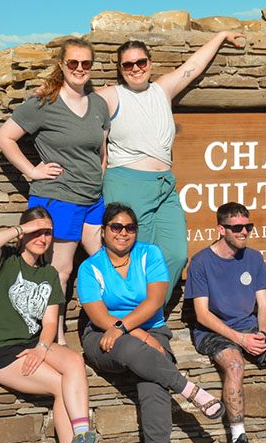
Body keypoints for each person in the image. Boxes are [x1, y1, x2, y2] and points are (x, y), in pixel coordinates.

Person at [96, 32, 245, 302]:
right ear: (120, 69)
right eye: (128, 65)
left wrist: (221, 36)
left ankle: (147, 316)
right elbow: (74, 100)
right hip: (127, 184)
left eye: (140, 62)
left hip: (164, 185)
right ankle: (128, 322)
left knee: (175, 254)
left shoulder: (162, 89)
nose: (135, 69)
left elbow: (194, 66)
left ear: (150, 63)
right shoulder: (111, 96)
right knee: (131, 255)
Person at [77, 202, 224, 443]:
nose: (123, 233)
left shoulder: (149, 254)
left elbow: (155, 300)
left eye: (130, 227)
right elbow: (97, 314)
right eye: (116, 227)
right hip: (102, 335)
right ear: (104, 231)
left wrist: (131, 329)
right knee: (137, 348)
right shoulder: (90, 267)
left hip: (148, 329)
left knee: (152, 379)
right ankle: (191, 391)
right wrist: (135, 331)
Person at [0, 207, 109, 443]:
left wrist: (41, 348)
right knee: (60, 385)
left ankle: (83, 442)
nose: (43, 237)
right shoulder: (5, 260)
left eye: (47, 232)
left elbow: (49, 323)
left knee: (73, 360)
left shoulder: (48, 274)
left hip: (30, 346)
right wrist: (23, 229)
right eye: (36, 231)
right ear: (23, 233)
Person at [0, 37, 110, 344]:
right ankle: (55, 339)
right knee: (61, 269)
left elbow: (102, 148)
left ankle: (111, 326)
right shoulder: (44, 104)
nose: (80, 69)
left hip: (93, 198)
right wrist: (31, 171)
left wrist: (101, 171)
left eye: (86, 63)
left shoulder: (97, 103)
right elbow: (4, 137)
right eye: (73, 63)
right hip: (61, 196)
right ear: (62, 64)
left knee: (103, 262)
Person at [185, 202, 266, 443]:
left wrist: (260, 334)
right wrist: (240, 340)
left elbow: (264, 305)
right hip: (213, 330)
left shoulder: (254, 258)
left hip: (249, 327)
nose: (244, 232)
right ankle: (239, 439)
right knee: (235, 364)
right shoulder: (201, 261)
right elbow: (202, 315)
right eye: (237, 227)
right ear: (221, 229)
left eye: (247, 226)